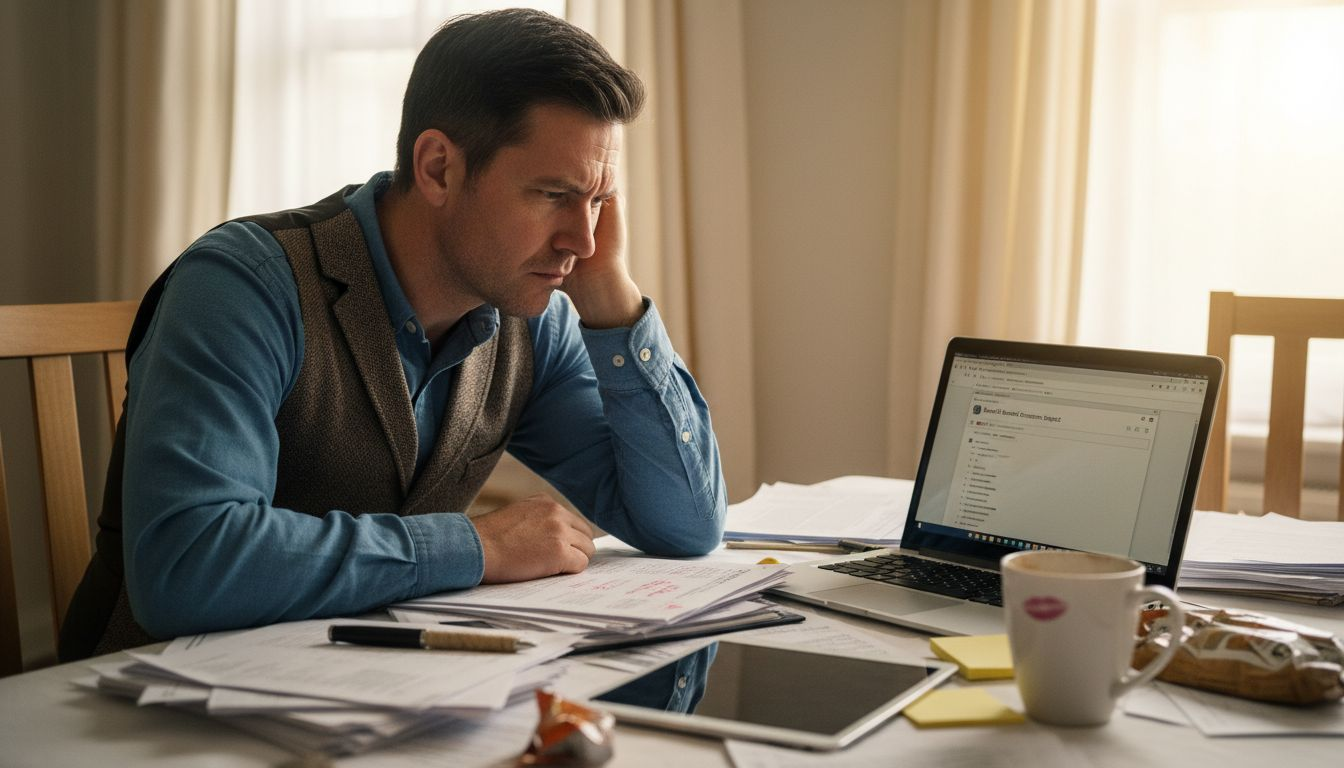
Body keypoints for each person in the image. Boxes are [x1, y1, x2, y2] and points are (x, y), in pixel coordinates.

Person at [59, 8, 726, 661]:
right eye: (553, 195)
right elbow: (188, 564)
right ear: (438, 167)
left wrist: (611, 294)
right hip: (149, 709)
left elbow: (685, 525)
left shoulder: (534, 318)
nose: (581, 240)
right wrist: (478, 548)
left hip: (371, 694)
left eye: (599, 201)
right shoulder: (242, 285)